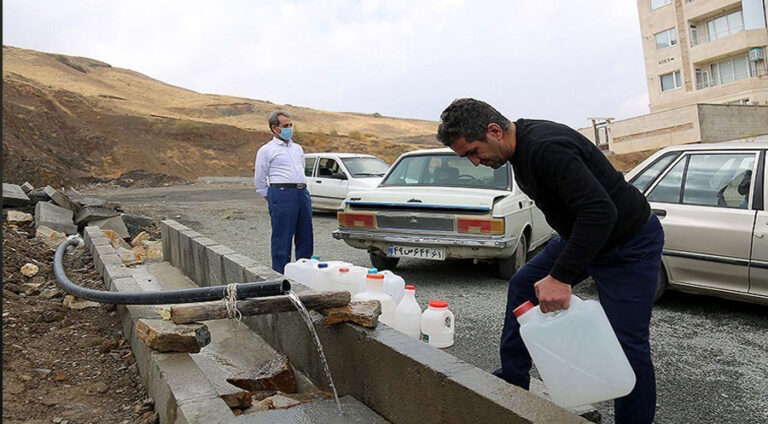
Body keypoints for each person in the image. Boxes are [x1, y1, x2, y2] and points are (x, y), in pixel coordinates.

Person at [437, 98, 664, 424]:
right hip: (584, 238)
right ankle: (513, 380)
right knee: (523, 284)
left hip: (627, 245)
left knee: (628, 346)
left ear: (494, 130)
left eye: (473, 151)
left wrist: (562, 276)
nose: (474, 162)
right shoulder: (519, 149)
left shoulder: (546, 148)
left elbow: (600, 213)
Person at [254, 110, 314, 274]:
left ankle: (305, 273)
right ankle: (281, 276)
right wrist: (271, 195)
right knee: (282, 236)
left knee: (305, 235)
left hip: (302, 193)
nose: (289, 128)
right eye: (285, 126)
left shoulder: (297, 149)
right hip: (281, 193)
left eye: (291, 125)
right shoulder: (267, 150)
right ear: (275, 128)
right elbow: (260, 177)